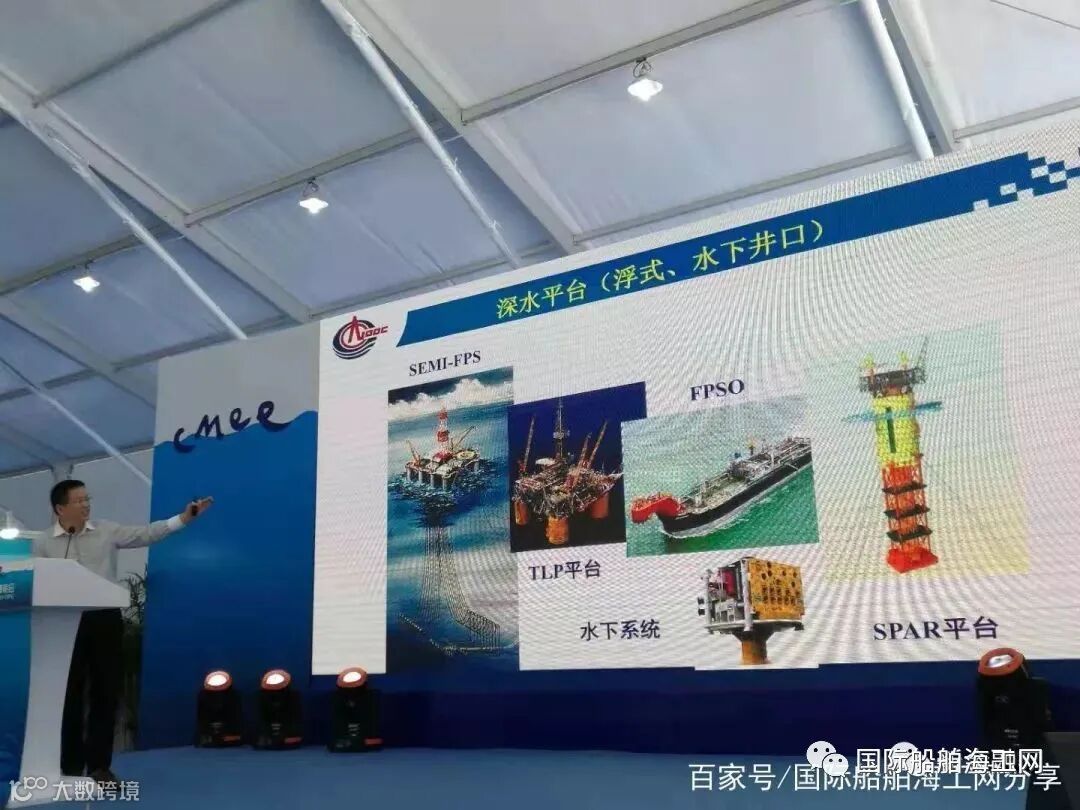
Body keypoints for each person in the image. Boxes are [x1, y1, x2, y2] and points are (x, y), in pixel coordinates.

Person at [32, 479, 213, 786]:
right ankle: (70, 766)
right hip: (63, 624)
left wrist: (183, 518)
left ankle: (100, 767)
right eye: (79, 501)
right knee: (69, 696)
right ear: (60, 509)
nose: (86, 505)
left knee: (105, 693)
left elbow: (146, 533)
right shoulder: (43, 543)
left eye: (87, 499)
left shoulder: (106, 530)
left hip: (104, 619)